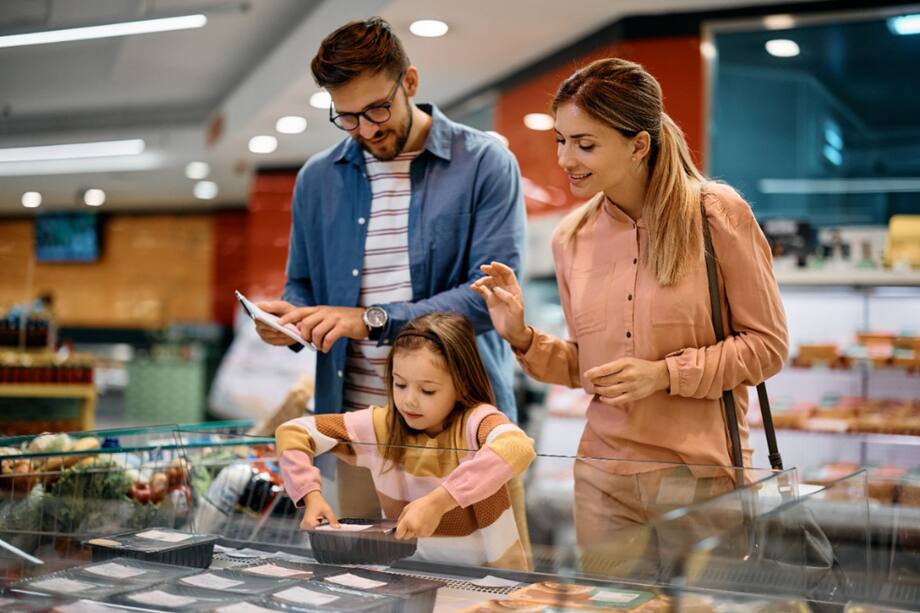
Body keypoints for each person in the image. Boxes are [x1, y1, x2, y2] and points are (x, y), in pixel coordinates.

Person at [472, 58, 788, 569]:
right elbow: (585, 367)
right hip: (603, 479)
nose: (567, 159)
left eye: (586, 144)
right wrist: (523, 337)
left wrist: (663, 374)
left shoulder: (716, 213)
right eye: (561, 140)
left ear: (639, 144)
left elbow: (767, 347)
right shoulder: (570, 238)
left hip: (700, 478)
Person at [252, 17, 526, 520]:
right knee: (363, 585)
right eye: (349, 117)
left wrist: (372, 319)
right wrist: (290, 321)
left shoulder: (484, 162)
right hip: (358, 430)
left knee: (472, 589)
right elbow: (303, 283)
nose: (368, 128)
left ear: (411, 83)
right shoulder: (318, 178)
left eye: (379, 108)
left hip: (459, 432)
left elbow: (490, 298)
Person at [275, 312, 536, 569]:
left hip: (485, 578)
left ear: (462, 385)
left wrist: (439, 502)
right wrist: (310, 495)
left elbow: (518, 446)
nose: (409, 400)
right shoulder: (381, 425)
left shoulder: (475, 422)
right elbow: (293, 432)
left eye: (427, 390)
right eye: (400, 385)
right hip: (408, 574)